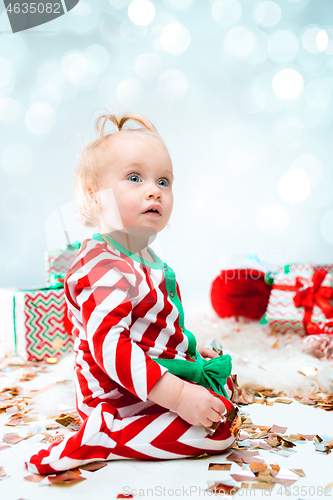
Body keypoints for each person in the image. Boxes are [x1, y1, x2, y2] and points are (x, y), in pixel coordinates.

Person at [26, 113, 238, 474]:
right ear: (94, 199)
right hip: (118, 394)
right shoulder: (101, 266)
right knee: (217, 434)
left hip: (151, 374)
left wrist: (186, 347)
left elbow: (154, 323)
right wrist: (181, 396)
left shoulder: (145, 257)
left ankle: (177, 399)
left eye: (164, 181)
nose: (153, 190)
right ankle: (106, 436)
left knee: (224, 394)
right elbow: (111, 347)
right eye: (135, 178)